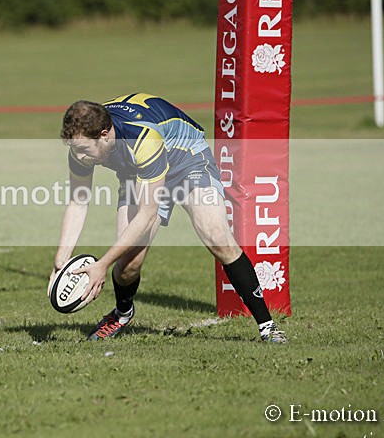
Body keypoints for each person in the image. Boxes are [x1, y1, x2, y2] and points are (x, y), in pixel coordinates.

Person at [52, 93, 288, 342]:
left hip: (187, 161)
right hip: (138, 174)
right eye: (73, 150)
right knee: (127, 266)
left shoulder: (142, 138)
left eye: (82, 151)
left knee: (218, 238)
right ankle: (122, 314)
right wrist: (60, 263)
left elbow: (147, 214)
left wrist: (102, 265)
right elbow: (78, 202)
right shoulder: (82, 145)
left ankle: (268, 326)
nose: (78, 158)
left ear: (104, 135)